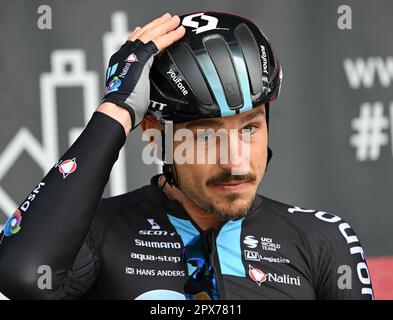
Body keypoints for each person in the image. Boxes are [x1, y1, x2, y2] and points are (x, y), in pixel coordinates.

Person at [0, 11, 373, 300]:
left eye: (249, 128)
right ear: (154, 136)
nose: (236, 162)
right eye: (205, 135)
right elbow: (23, 274)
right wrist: (115, 110)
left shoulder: (322, 240)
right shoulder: (99, 234)